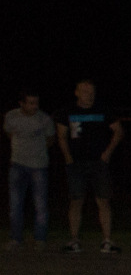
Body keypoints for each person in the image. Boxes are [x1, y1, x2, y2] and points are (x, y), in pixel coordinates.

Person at [56, 78, 122, 254]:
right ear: (77, 93)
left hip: (98, 163)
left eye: (92, 92)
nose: (89, 95)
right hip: (76, 163)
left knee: (103, 200)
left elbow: (118, 131)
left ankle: (107, 240)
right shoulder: (67, 111)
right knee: (76, 200)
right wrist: (68, 157)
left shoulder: (103, 109)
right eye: (85, 92)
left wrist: (107, 153)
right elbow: (61, 135)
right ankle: (74, 240)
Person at [6, 91, 56, 250]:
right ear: (22, 103)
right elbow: (9, 133)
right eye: (31, 103)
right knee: (15, 205)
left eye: (36, 103)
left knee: (40, 204)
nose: (35, 106)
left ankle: (40, 239)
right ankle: (16, 239)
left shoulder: (44, 119)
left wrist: (37, 151)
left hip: (39, 166)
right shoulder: (11, 116)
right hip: (17, 164)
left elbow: (50, 138)